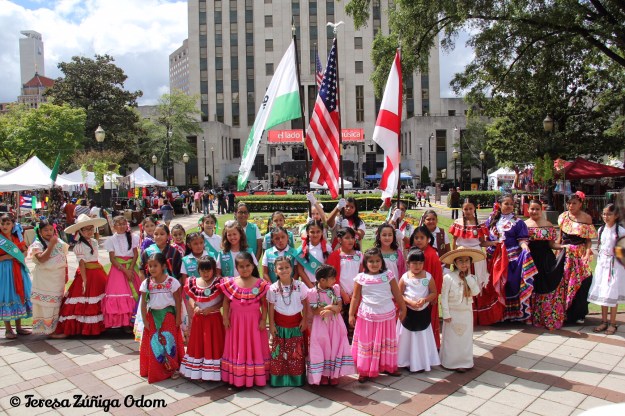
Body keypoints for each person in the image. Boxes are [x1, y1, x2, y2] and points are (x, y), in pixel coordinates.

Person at [350, 248, 407, 383]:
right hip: (367, 316)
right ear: (365, 263)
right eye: (371, 261)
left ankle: (388, 366)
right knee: (366, 342)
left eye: (377, 261)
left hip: (386, 314)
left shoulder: (388, 275)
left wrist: (403, 308)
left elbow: (397, 293)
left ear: (382, 261)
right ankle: (364, 370)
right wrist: (351, 314)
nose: (374, 264)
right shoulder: (361, 278)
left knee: (386, 341)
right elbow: (355, 297)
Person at [482, 194, 537, 323]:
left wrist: (525, 247)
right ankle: (496, 314)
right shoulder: (491, 220)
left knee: (510, 282)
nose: (509, 206)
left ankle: (512, 313)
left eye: (511, 204)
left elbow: (522, 239)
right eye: (506, 204)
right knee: (492, 283)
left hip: (511, 257)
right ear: (499, 205)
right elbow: (484, 239)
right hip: (493, 256)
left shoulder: (518, 222)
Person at [219, 251, 270, 387]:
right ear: (236, 268)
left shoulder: (260, 284)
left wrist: (263, 320)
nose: (245, 269)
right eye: (241, 266)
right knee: (237, 346)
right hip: (235, 322)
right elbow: (226, 302)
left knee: (254, 345)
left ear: (253, 266)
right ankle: (238, 375)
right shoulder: (230, 283)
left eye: (248, 266)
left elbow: (264, 304)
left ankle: (256, 375)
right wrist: (225, 318)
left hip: (254, 323)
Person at [53, 214, 108, 338]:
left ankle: (99, 326)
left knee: (98, 299)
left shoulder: (94, 242)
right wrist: (84, 281)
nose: (89, 231)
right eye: (86, 229)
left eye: (91, 228)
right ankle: (80, 328)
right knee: (83, 299)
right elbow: (82, 264)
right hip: (87, 273)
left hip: (97, 273)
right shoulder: (79, 246)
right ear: (80, 231)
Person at [139, 253, 184, 383]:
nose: (152, 269)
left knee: (170, 342)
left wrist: (178, 318)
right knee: (155, 343)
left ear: (163, 266)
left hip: (168, 316)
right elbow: (143, 303)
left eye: (155, 265)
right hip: (152, 317)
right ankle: (157, 369)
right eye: (150, 266)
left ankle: (172, 368)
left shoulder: (172, 282)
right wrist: (145, 320)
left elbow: (178, 300)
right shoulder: (146, 283)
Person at [307, 264, 355, 385]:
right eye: (332, 278)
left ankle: (334, 374)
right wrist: (329, 308)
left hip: (335, 324)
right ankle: (323, 374)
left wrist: (331, 309)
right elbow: (315, 311)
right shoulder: (313, 292)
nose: (334, 280)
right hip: (321, 325)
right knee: (323, 346)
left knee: (335, 345)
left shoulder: (335, 289)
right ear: (322, 280)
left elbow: (339, 307)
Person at [439, 247, 484, 373]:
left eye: (467, 261)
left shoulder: (472, 278)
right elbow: (444, 297)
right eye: (460, 261)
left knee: (465, 338)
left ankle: (465, 361)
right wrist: (446, 313)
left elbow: (476, 292)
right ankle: (449, 361)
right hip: (453, 312)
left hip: (466, 312)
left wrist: (468, 278)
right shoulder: (448, 277)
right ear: (455, 262)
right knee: (452, 339)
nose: (464, 264)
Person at [524, 199, 567, 330]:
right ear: (528, 209)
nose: (534, 211)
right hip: (530, 261)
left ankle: (547, 317)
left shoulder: (548, 225)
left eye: (537, 209)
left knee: (547, 286)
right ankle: (531, 317)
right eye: (532, 209)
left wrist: (564, 247)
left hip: (546, 260)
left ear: (541, 210)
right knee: (532, 287)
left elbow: (552, 244)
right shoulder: (523, 225)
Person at [180, 256, 224, 381]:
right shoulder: (193, 282)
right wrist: (194, 306)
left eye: (208, 270)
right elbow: (191, 297)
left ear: (214, 269)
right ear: (198, 270)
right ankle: (198, 372)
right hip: (198, 319)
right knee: (199, 343)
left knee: (215, 343)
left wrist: (212, 308)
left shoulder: (219, 282)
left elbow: (223, 301)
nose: (205, 273)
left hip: (214, 319)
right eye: (202, 270)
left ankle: (215, 372)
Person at [396, 248, 440, 372]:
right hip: (408, 313)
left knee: (421, 337)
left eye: (420, 263)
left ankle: (422, 361)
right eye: (414, 263)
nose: (417, 266)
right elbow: (399, 294)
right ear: (408, 263)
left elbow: (434, 292)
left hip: (423, 313)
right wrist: (409, 302)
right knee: (407, 338)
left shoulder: (428, 277)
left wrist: (425, 300)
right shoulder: (405, 277)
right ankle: (405, 360)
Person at [267, 256, 308, 387]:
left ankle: (296, 379)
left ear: (292, 268)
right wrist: (271, 324)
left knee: (295, 354)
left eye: (287, 267)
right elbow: (271, 307)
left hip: (296, 325)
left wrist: (305, 319)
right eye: (281, 268)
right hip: (279, 326)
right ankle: (278, 380)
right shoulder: (273, 288)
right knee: (279, 354)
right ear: (275, 271)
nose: (284, 270)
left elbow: (305, 303)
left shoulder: (300, 286)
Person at [557, 192, 597, 324]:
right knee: (564, 282)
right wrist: (557, 252)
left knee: (583, 282)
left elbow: (588, 240)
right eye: (569, 203)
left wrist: (587, 252)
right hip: (565, 253)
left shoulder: (586, 218)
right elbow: (560, 237)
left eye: (574, 203)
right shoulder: (563, 216)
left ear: (580, 204)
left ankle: (579, 313)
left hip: (580, 254)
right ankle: (564, 312)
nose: (571, 205)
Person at [28, 220, 69, 335]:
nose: (49, 232)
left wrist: (66, 273)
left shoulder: (58, 241)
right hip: (45, 280)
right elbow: (42, 259)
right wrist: (51, 245)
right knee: (48, 305)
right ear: (40, 232)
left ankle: (56, 328)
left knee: (57, 303)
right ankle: (49, 331)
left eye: (51, 229)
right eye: (45, 230)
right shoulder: (37, 244)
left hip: (57, 277)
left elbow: (64, 257)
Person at [589, 204, 624, 335]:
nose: (606, 216)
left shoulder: (621, 231)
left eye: (609, 214)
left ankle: (613, 323)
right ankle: (604, 321)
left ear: (616, 215)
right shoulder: (601, 230)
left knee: (612, 292)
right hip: (602, 264)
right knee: (603, 291)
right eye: (604, 214)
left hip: (615, 266)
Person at [102, 216, 141, 330]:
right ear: (114, 226)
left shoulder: (133, 237)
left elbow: (135, 254)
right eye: (119, 224)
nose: (122, 226)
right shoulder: (111, 240)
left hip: (131, 266)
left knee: (135, 292)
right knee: (120, 292)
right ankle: (122, 322)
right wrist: (125, 271)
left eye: (124, 224)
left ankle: (134, 321)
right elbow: (112, 259)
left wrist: (131, 269)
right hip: (118, 269)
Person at [326, 227, 363, 341]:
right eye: (347, 238)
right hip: (339, 295)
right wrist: (343, 293)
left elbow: (362, 274)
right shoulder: (335, 255)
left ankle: (353, 345)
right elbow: (332, 277)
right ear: (339, 239)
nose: (351, 240)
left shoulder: (359, 255)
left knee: (354, 321)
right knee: (340, 321)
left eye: (352, 237)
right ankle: (341, 345)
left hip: (356, 294)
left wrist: (355, 293)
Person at [409, 225, 444, 348]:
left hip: (428, 295)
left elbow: (437, 276)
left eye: (422, 238)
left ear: (428, 239)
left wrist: (434, 295)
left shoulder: (431, 254)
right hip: (416, 293)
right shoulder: (415, 252)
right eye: (416, 237)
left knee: (427, 321)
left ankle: (429, 347)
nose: (419, 240)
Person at [0, 214, 32, 339]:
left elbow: (24, 250)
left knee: (19, 295)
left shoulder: (16, 237)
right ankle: (8, 329)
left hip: (18, 269)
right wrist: (6, 257)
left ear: (13, 225)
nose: (5, 226)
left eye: (8, 224)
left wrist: (22, 254)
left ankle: (19, 327)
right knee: (7, 296)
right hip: (4, 271)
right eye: (2, 223)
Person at [294, 220, 332, 288]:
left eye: (318, 232)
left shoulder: (328, 248)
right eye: (312, 232)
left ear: (322, 232)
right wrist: (311, 286)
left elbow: (329, 268)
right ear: (307, 232)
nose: (315, 235)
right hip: (306, 286)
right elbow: (300, 270)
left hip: (323, 286)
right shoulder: (302, 249)